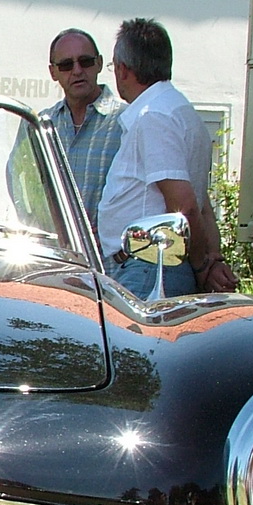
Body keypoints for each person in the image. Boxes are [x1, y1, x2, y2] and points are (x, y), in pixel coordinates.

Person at [95, 18, 238, 299]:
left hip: (152, 266)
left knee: (130, 342)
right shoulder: (180, 111)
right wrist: (212, 258)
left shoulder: (155, 116)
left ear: (124, 69)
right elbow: (202, 204)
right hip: (157, 265)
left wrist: (202, 267)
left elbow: (184, 205)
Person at [43, 28, 126, 223]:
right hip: (53, 250)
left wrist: (111, 230)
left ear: (98, 63)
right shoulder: (41, 126)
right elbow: (20, 185)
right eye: (66, 65)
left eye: (85, 61)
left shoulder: (127, 122)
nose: (77, 70)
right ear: (53, 72)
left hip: (108, 252)